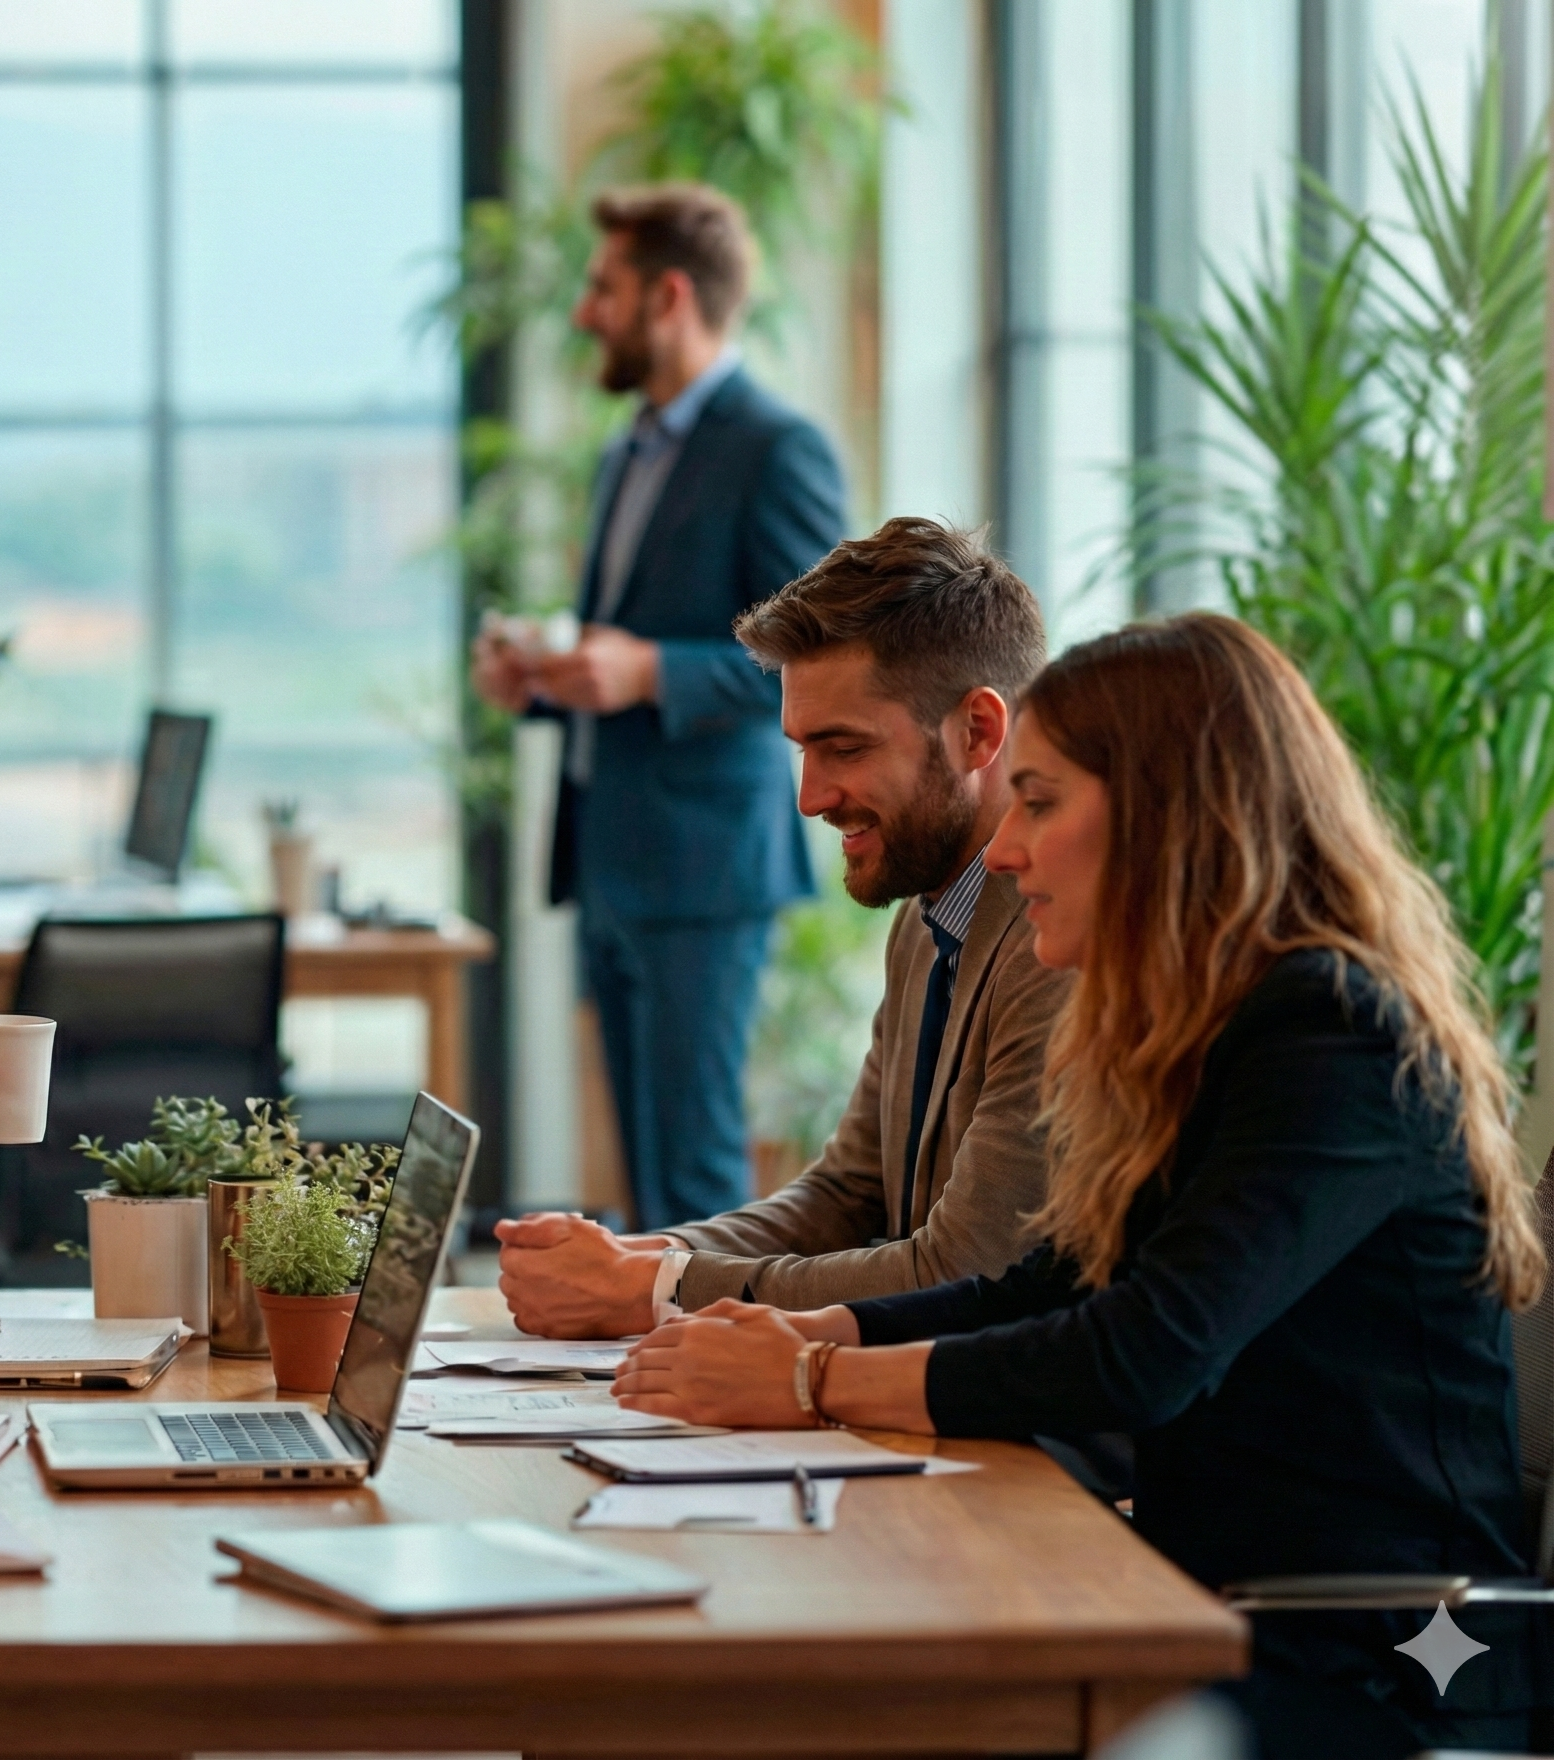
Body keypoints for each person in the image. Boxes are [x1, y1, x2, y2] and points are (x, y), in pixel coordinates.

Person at [612, 613, 1545, 1759]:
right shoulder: (1202, 1025)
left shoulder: (1332, 1029)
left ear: (1171, 817)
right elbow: (1049, 1281)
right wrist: (804, 1325)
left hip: (1381, 1660)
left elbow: (1140, 1350)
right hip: (1203, 1606)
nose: (1002, 850)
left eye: (1038, 802)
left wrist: (811, 1377)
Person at [497, 519, 1069, 1332]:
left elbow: (964, 1270)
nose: (810, 798)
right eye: (802, 749)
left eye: (843, 748)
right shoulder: (930, 917)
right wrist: (636, 1261)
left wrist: (655, 1289)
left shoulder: (1062, 945)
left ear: (978, 730)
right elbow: (848, 1195)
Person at [470, 183, 844, 1231]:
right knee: (642, 1170)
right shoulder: (625, 449)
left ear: (667, 295)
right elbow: (630, 639)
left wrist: (650, 673)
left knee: (691, 1167)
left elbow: (824, 655)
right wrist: (545, 678)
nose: (583, 312)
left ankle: (712, 1386)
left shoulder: (774, 446)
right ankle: (638, 1382)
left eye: (602, 288)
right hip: (610, 855)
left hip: (702, 865)